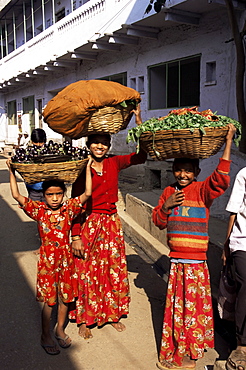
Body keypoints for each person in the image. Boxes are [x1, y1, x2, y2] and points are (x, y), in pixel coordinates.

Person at [152, 124, 236, 370]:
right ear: (173, 171)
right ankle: (177, 347)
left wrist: (228, 142)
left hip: (196, 264)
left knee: (193, 310)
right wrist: (166, 206)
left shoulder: (202, 191)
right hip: (177, 263)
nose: (183, 175)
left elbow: (221, 178)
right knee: (178, 310)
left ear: (197, 171)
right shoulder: (168, 192)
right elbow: (157, 222)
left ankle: (192, 353)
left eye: (188, 171)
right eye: (179, 170)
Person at [69, 105, 147, 339]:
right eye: (96, 142)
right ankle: (84, 318)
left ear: (109, 145)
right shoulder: (81, 168)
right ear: (88, 144)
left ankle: (111, 314)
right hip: (88, 223)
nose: (100, 146)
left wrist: (139, 120)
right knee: (86, 270)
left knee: (112, 270)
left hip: (111, 224)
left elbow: (141, 156)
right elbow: (75, 203)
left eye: (104, 142)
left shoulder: (114, 163)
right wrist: (75, 236)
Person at [6, 156, 93, 355]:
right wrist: (12, 172)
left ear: (64, 194)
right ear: (43, 195)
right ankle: (45, 334)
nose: (55, 198)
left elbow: (87, 193)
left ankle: (60, 329)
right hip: (47, 261)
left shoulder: (69, 209)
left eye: (59, 194)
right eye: (50, 194)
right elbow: (17, 195)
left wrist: (87, 168)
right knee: (49, 300)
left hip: (66, 260)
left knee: (65, 298)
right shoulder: (39, 211)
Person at [223, 167, 246, 370]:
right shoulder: (244, 174)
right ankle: (242, 345)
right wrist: (227, 244)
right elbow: (234, 211)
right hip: (243, 242)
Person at [25, 128, 47, 202]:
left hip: (48, 190)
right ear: (31, 141)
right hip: (33, 190)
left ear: (45, 141)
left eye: (41, 142)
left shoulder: (49, 153)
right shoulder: (27, 154)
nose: (38, 145)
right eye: (35, 142)